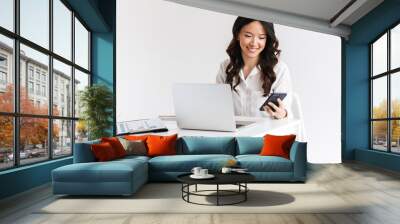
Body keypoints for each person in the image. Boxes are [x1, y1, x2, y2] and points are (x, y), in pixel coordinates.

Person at [216, 17, 292, 119]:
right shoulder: (226, 67)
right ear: (238, 35)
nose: (254, 43)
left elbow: (286, 112)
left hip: (265, 133)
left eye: (261, 38)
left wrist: (282, 113)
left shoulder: (279, 69)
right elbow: (217, 106)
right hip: (234, 132)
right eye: (248, 36)